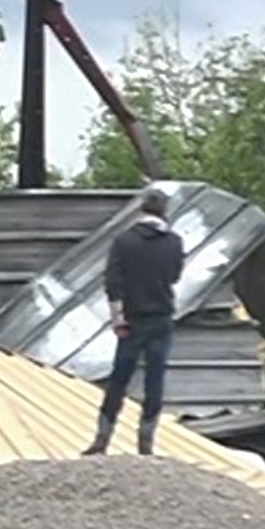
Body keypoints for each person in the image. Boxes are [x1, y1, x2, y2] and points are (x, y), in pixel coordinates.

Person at [83, 186, 186, 456]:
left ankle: (102, 438)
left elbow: (113, 282)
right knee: (155, 379)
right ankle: (146, 441)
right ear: (164, 211)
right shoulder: (174, 242)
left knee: (119, 379)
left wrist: (117, 317)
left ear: (141, 209)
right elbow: (175, 276)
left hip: (132, 319)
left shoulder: (124, 241)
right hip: (161, 317)